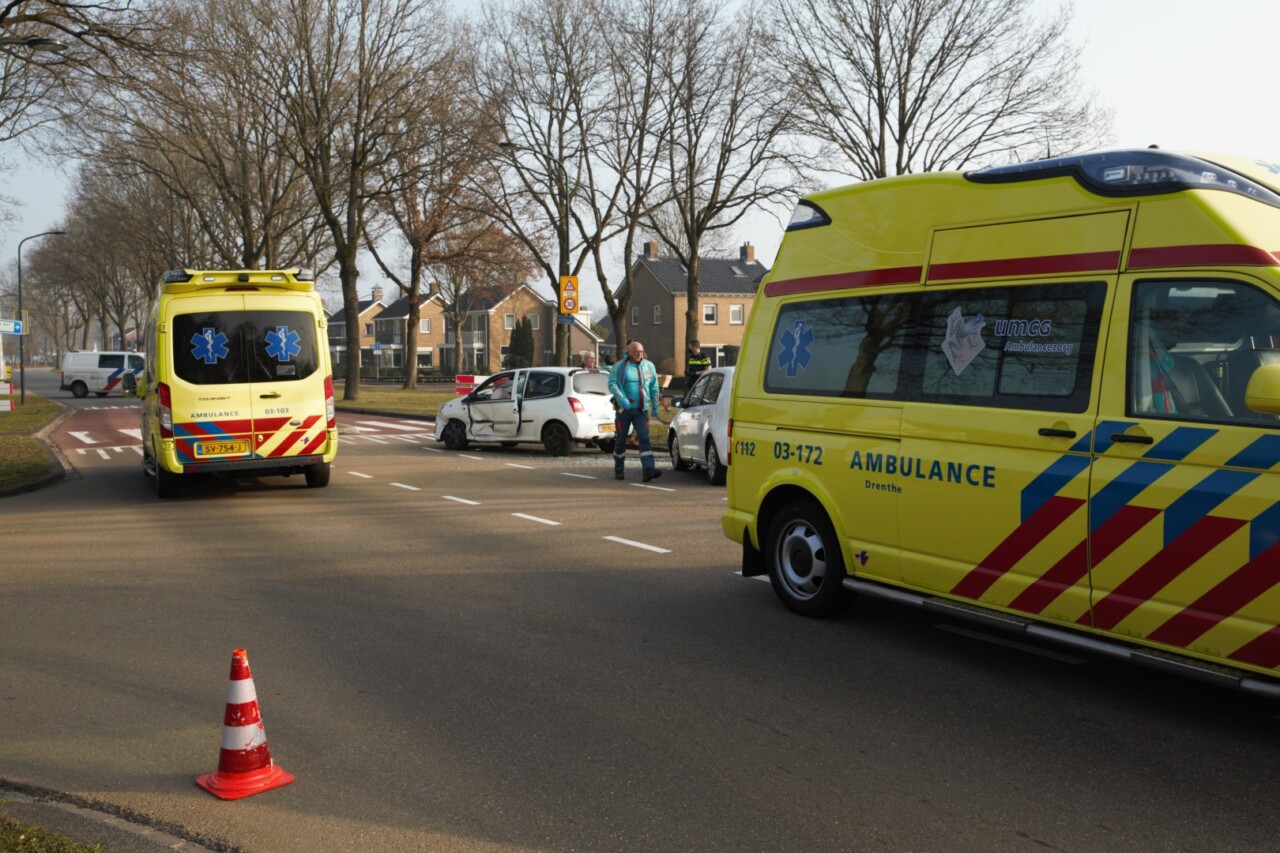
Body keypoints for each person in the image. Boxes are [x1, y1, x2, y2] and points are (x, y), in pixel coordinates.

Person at [609, 340, 662, 481]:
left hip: (641, 410)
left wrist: (655, 406)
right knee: (621, 439)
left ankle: (648, 469)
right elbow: (612, 383)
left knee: (644, 438)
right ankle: (619, 470)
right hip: (624, 410)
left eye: (641, 352)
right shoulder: (619, 366)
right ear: (629, 352)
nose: (639, 355)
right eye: (636, 352)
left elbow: (654, 387)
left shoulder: (649, 366)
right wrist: (621, 398)